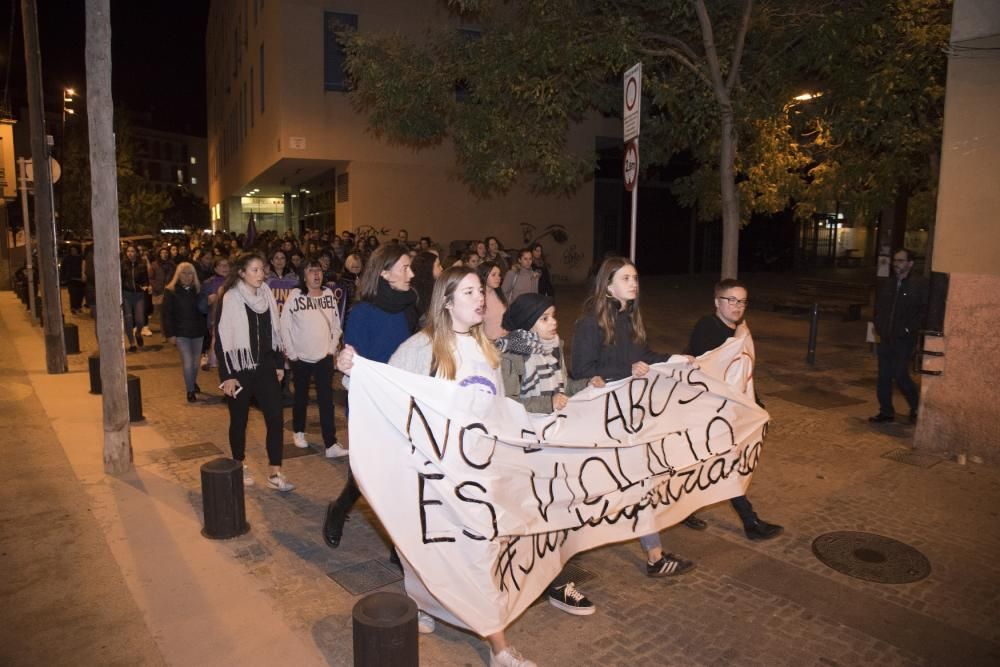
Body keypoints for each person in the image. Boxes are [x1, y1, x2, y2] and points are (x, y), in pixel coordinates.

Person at [337, 266, 536, 667]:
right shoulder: (421, 348)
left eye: (480, 290)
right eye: (468, 292)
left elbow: (496, 408)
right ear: (446, 302)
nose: (479, 298)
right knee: (428, 548)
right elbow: (384, 386)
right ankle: (426, 601)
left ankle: (499, 648)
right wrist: (352, 370)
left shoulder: (488, 349)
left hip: (474, 474)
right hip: (430, 472)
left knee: (480, 553)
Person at [570, 256, 696, 579]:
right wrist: (625, 371)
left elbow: (646, 358)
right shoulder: (589, 323)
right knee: (597, 488)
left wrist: (678, 360)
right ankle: (562, 551)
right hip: (602, 418)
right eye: (626, 278)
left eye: (636, 278)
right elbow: (582, 370)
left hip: (628, 417)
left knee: (638, 483)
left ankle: (654, 556)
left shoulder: (631, 319)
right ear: (607, 285)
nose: (634, 284)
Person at [496, 293, 594, 617]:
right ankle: (535, 580)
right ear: (528, 324)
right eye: (546, 318)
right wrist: (546, 404)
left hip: (553, 441)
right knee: (532, 515)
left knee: (558, 512)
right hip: (524, 446)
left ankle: (554, 579)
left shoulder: (552, 348)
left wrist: (586, 385)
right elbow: (507, 402)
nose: (554, 323)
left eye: (553, 316)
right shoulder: (511, 353)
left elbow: (562, 389)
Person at [323, 244, 418, 549]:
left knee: (399, 473)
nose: (411, 273)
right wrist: (344, 360)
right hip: (369, 404)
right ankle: (338, 510)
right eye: (405, 267)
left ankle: (397, 545)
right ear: (385, 272)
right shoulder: (362, 311)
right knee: (367, 473)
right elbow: (351, 358)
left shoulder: (410, 306)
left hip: (401, 402)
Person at [677, 279, 784, 541]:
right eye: (731, 300)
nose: (738, 306)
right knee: (726, 465)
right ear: (717, 302)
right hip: (707, 412)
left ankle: (679, 509)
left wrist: (755, 403)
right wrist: (736, 341)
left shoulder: (739, 331)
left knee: (701, 465)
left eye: (742, 301)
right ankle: (750, 522)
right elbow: (711, 372)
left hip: (727, 412)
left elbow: (742, 374)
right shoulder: (708, 327)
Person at [215, 252, 294, 492]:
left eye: (262, 269)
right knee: (239, 420)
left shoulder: (267, 295)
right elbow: (221, 338)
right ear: (242, 272)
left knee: (275, 418)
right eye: (255, 270)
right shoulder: (230, 298)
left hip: (265, 367)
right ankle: (239, 464)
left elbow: (274, 331)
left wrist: (279, 364)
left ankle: (275, 472)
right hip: (239, 369)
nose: (261, 274)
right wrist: (227, 376)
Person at [280, 258, 348, 458]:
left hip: (323, 358)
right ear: (304, 275)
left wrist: (331, 348)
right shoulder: (295, 295)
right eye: (311, 271)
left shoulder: (328, 294)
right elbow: (284, 326)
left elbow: (336, 324)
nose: (316, 275)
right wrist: (292, 353)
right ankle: (299, 431)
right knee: (300, 397)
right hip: (300, 358)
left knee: (326, 401)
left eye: (318, 271)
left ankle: (331, 444)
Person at [870, 248, 928, 424]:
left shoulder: (919, 285)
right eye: (895, 261)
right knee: (884, 376)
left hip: (904, 339)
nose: (896, 264)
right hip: (886, 337)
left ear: (910, 263)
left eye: (901, 261)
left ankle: (916, 406)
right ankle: (886, 411)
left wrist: (909, 330)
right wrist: (878, 325)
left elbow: (923, 312)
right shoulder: (889, 284)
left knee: (900, 374)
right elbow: (879, 307)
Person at [162, 262, 208, 403]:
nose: (187, 276)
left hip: (198, 331)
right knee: (188, 363)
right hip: (181, 332)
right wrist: (170, 334)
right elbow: (167, 314)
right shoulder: (171, 291)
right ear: (178, 275)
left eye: (190, 273)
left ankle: (191, 381)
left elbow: (204, 311)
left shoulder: (199, 290)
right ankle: (190, 391)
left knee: (195, 363)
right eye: (184, 273)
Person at [121, 245, 150, 352]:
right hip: (126, 295)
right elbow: (120, 280)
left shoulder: (141, 265)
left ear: (136, 253)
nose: (130, 253)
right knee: (128, 320)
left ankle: (138, 333)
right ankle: (132, 343)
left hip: (139, 295)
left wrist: (145, 286)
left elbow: (146, 279)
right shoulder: (122, 265)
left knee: (140, 320)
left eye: (132, 251)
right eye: (128, 251)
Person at [478, 261, 508, 340]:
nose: (498, 278)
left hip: (504, 340)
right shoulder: (478, 298)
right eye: (493, 275)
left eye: (499, 275)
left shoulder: (498, 293)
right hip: (489, 343)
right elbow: (477, 329)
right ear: (484, 275)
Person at [411, 251, 442, 325]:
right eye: (438, 265)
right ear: (428, 267)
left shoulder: (435, 286)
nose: (441, 268)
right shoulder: (415, 292)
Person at [62, 244, 86, 314]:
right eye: (72, 250)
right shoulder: (67, 258)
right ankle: (73, 307)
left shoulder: (81, 258)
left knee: (80, 294)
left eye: (74, 250)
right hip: (71, 279)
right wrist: (63, 277)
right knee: (73, 294)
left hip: (80, 280)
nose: (73, 251)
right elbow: (63, 268)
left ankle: (78, 307)